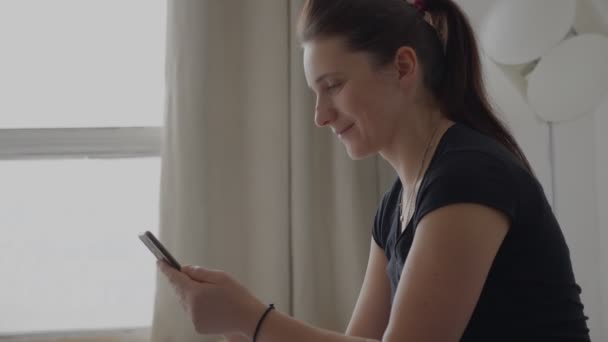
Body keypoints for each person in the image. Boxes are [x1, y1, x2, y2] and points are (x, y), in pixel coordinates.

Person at [158, 0, 591, 340]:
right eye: (315, 92)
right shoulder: (396, 206)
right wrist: (240, 325)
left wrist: (253, 319)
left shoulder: (469, 176)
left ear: (403, 67)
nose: (321, 116)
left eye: (333, 86)